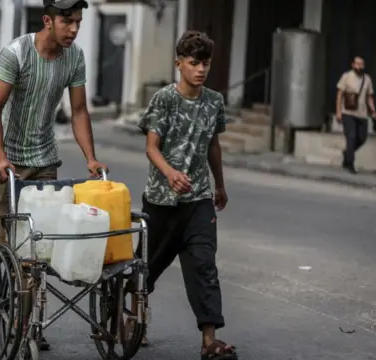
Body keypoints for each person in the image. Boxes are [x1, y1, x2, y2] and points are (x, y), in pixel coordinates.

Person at [0, 0, 108, 351]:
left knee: (41, 245)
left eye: (78, 22)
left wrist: (91, 158)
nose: (73, 29)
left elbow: (80, 110)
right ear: (48, 20)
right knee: (8, 240)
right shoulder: (17, 53)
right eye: (67, 22)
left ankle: (30, 323)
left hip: (44, 158)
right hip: (4, 161)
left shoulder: (75, 57)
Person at [135, 30, 238, 359]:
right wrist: (170, 173)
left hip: (198, 201)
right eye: (194, 63)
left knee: (204, 265)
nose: (200, 69)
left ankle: (209, 341)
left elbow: (213, 144)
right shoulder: (164, 99)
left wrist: (219, 184)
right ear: (179, 64)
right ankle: (133, 318)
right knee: (146, 269)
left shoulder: (214, 101)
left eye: (205, 63)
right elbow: (151, 147)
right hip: (161, 202)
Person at [336, 56, 376, 174]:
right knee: (351, 137)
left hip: (362, 114)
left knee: (362, 138)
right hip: (348, 113)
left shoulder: (367, 79)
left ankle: (347, 153)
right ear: (353, 65)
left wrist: (373, 112)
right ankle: (350, 163)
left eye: (361, 64)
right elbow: (340, 94)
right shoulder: (346, 76)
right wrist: (338, 112)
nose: (359, 66)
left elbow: (369, 96)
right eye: (357, 64)